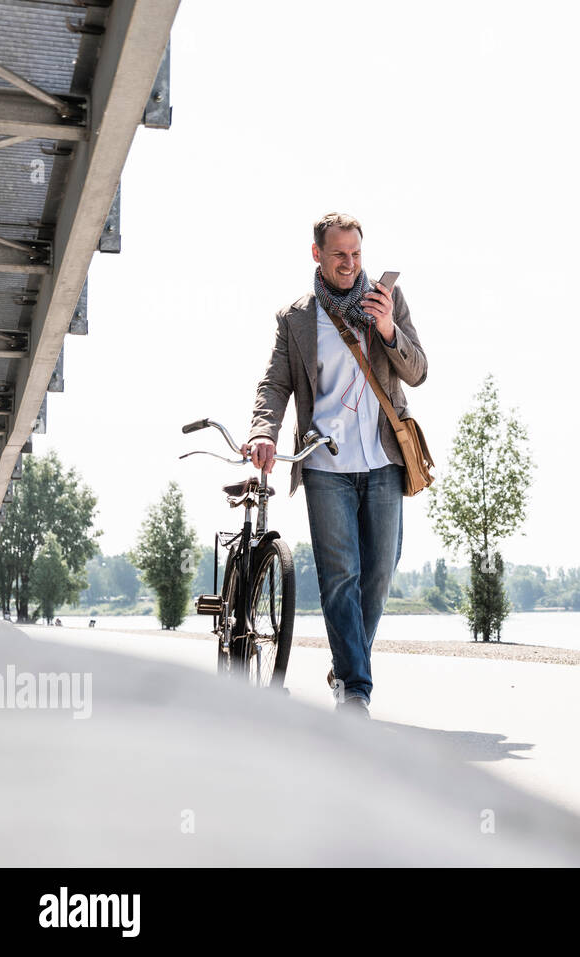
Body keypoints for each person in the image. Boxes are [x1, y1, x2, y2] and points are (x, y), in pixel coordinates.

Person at [242, 213, 427, 718]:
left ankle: (348, 660)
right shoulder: (296, 318)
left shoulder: (385, 302)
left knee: (382, 570)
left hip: (383, 457)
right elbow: (274, 384)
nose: (350, 264)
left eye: (357, 255)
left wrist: (388, 328)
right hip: (324, 462)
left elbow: (418, 371)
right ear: (317, 254)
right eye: (340, 255)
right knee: (339, 574)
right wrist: (264, 430)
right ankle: (355, 689)